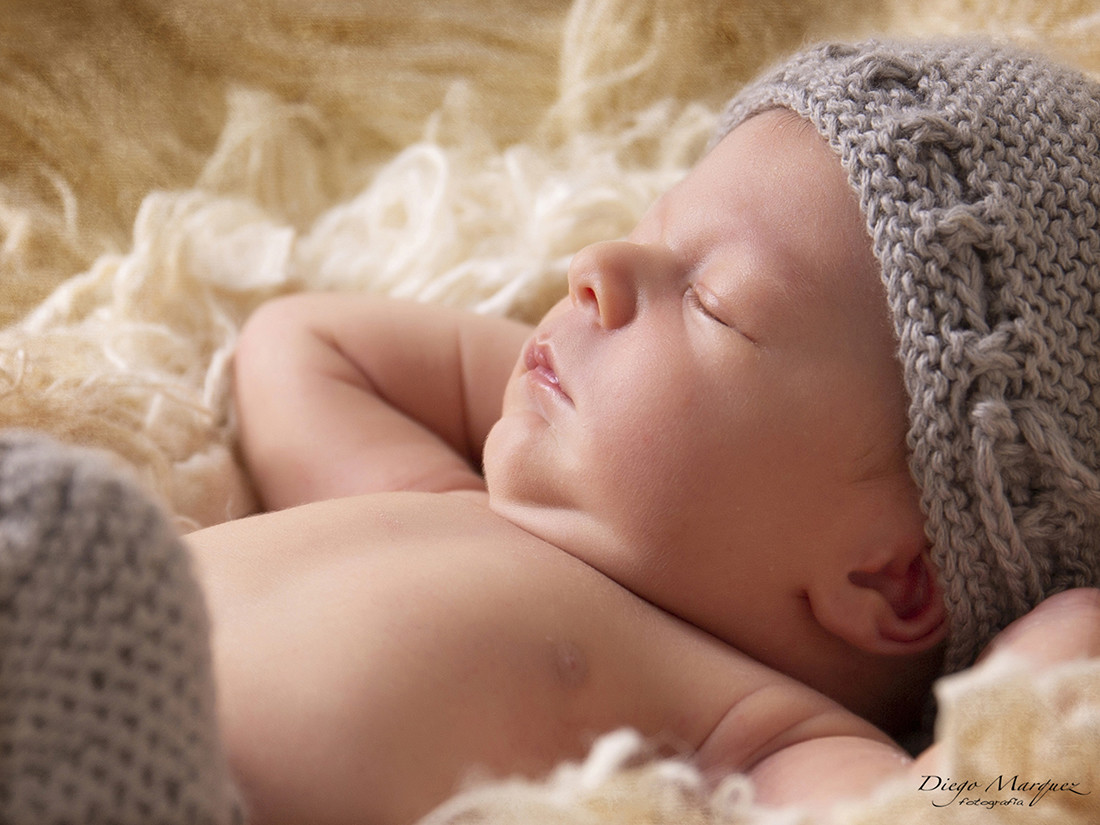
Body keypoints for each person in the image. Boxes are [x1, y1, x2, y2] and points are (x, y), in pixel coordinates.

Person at [0, 37, 1098, 825]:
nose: (594, 271)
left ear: (889, 583)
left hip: (152, 777)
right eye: (647, 233)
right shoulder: (444, 494)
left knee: (70, 533)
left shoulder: (759, 733)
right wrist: (567, 392)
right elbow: (300, 344)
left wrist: (1045, 667)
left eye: (713, 302)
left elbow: (937, 811)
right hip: (39, 654)